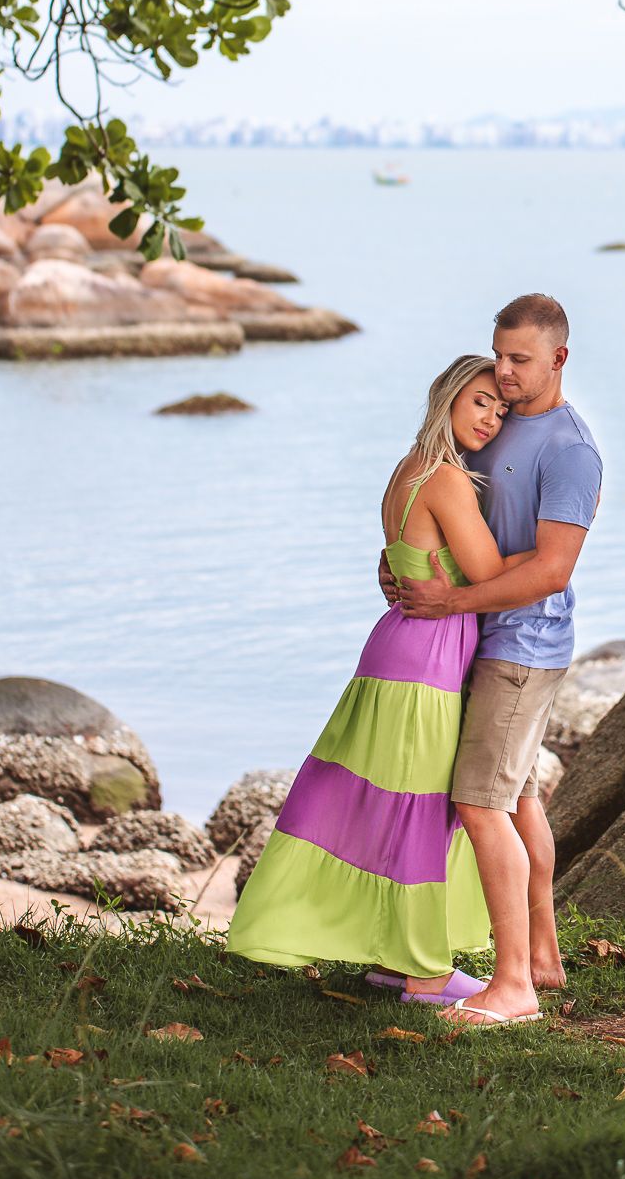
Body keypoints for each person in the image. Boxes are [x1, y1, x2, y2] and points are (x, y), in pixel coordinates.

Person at [227, 355, 532, 1002]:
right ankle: (421, 971)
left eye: (499, 409)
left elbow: (409, 555)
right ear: (446, 398)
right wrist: (556, 543)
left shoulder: (406, 469)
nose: (491, 417)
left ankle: (394, 957)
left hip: (401, 650)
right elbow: (486, 573)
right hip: (422, 662)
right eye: (480, 401)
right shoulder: (448, 480)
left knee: (398, 805)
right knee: (419, 809)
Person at [397, 293, 602, 1027]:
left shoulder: (570, 450)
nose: (505, 373)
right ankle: (541, 957)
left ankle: (511, 987)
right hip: (480, 637)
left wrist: (450, 600)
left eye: (521, 360)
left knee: (479, 803)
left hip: (524, 644)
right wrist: (405, 565)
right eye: (500, 355)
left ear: (558, 359)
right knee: (516, 798)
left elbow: (553, 569)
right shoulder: (498, 418)